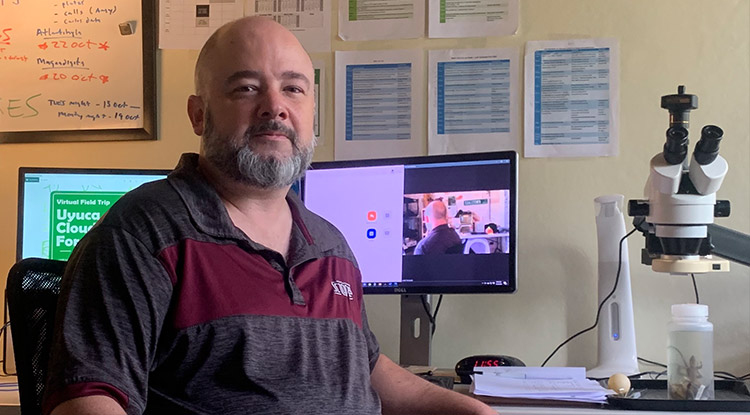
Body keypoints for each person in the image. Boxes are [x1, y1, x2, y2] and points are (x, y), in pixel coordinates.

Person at [42, 17, 497, 415]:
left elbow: (368, 367)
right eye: (246, 88)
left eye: (294, 88)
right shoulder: (143, 233)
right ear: (198, 115)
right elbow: (88, 399)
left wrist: (470, 409)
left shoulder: (330, 244)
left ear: (311, 115)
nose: (274, 107)